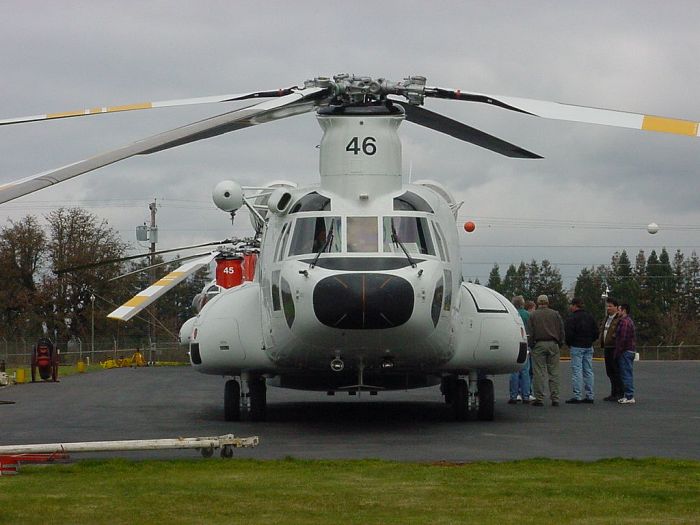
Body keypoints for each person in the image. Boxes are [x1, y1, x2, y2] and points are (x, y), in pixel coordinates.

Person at [528, 294, 565, 406]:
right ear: (548, 303)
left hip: (539, 344)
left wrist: (532, 345)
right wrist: (560, 343)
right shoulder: (555, 314)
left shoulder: (533, 315)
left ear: (538, 303)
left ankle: (539, 398)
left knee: (538, 372)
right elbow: (561, 329)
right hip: (553, 344)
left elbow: (530, 332)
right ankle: (555, 398)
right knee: (554, 372)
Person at [564, 297, 598, 404]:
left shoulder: (572, 318)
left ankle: (577, 395)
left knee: (577, 371)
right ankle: (590, 395)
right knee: (588, 371)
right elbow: (596, 332)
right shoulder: (590, 317)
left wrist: (569, 343)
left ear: (574, 305)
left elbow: (568, 334)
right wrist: (590, 340)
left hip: (576, 346)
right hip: (588, 345)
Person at [508, 295, 532, 404]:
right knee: (526, 371)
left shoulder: (511, 314)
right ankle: (526, 395)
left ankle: (514, 395)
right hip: (525, 343)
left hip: (513, 344)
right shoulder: (528, 315)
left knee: (514, 371)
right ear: (523, 303)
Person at [599, 298, 623, 401]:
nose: (608, 308)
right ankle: (613, 393)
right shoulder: (606, 318)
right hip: (607, 348)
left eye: (610, 306)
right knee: (610, 372)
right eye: (607, 306)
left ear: (616, 308)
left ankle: (620, 393)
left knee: (616, 371)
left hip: (615, 348)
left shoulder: (619, 319)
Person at [615, 303, 637, 404]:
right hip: (629, 350)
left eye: (619, 310)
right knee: (626, 373)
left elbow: (622, 339)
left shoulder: (625, 322)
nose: (617, 312)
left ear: (624, 311)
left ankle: (629, 396)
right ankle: (627, 395)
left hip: (625, 351)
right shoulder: (628, 321)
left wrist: (618, 351)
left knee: (626, 374)